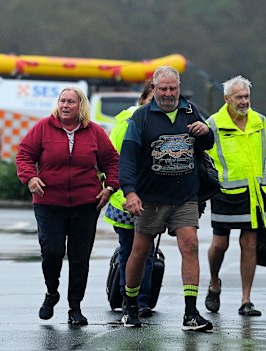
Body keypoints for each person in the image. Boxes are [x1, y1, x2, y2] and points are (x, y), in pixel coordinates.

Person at [118, 66, 214, 331]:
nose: (169, 93)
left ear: (179, 87)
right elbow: (127, 159)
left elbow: (207, 144)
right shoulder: (142, 117)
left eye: (173, 88)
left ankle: (191, 312)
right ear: (154, 88)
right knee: (140, 251)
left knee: (191, 245)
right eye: (163, 89)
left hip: (185, 196)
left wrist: (206, 133)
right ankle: (130, 305)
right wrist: (130, 192)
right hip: (150, 197)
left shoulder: (190, 111)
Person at [15, 87, 120, 326]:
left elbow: (112, 161)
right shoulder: (43, 127)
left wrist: (110, 187)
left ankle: (75, 307)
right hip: (49, 203)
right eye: (62, 101)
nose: (65, 105)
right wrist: (30, 177)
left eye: (71, 102)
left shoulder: (95, 132)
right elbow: (24, 155)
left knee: (79, 257)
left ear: (80, 106)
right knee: (51, 253)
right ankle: (52, 292)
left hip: (85, 205)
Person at [204, 75, 266, 317]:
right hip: (225, 194)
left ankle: (246, 299)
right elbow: (204, 159)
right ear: (227, 99)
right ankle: (214, 282)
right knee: (220, 244)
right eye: (239, 97)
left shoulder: (260, 121)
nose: (244, 101)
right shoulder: (213, 123)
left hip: (255, 194)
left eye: (247, 96)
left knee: (249, 244)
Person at [103, 81, 156, 317]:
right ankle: (132, 299)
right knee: (130, 250)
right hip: (126, 197)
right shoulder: (128, 122)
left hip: (152, 198)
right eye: (152, 99)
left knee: (147, 251)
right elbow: (115, 159)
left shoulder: (164, 122)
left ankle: (139, 299)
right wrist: (122, 190)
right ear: (143, 100)